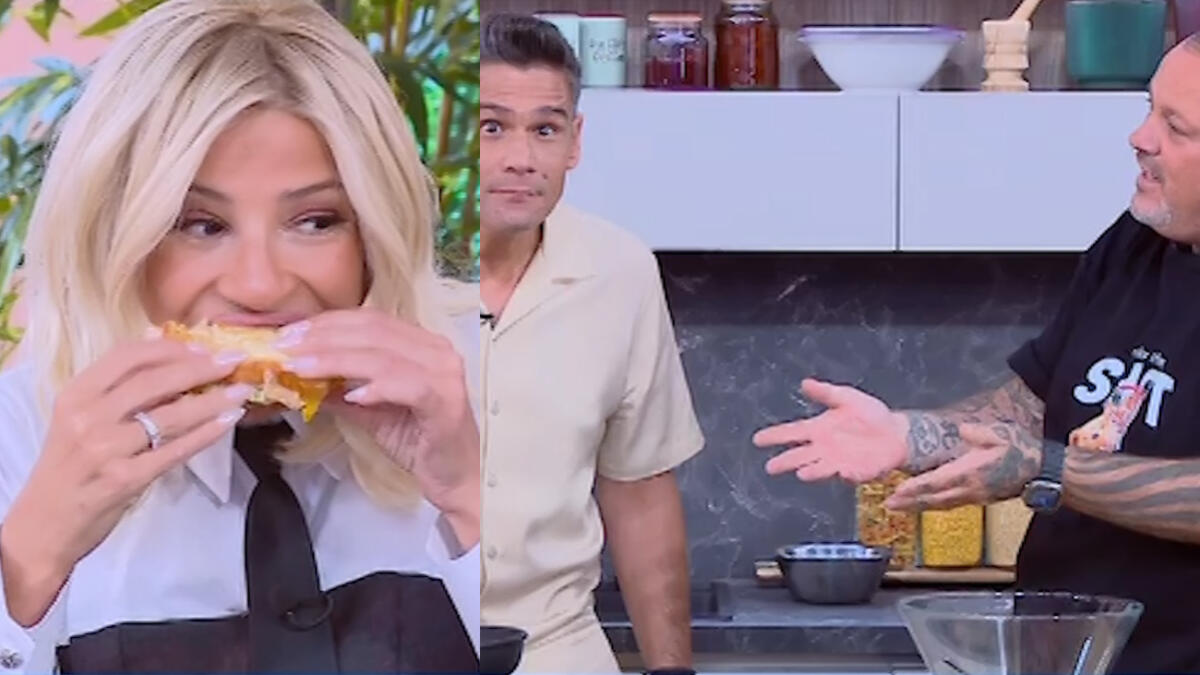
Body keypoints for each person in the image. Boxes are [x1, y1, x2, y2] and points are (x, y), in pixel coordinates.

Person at [0, 0, 480, 672]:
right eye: (200, 224)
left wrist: (470, 496)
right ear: (111, 235)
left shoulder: (472, 386)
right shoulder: (18, 436)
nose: (260, 286)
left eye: (315, 221)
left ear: (374, 236)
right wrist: (29, 562)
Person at [754, 36, 1200, 675]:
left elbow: (1045, 460)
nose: (1139, 137)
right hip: (1063, 654)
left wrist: (1049, 470)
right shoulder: (1137, 242)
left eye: (1175, 127)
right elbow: (1036, 401)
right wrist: (914, 434)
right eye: (1148, 108)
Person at [479, 13, 705, 674]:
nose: (521, 158)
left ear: (574, 142)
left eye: (544, 130)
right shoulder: (372, 263)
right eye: (491, 128)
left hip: (556, 648)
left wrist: (672, 670)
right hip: (387, 646)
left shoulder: (619, 271)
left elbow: (640, 492)